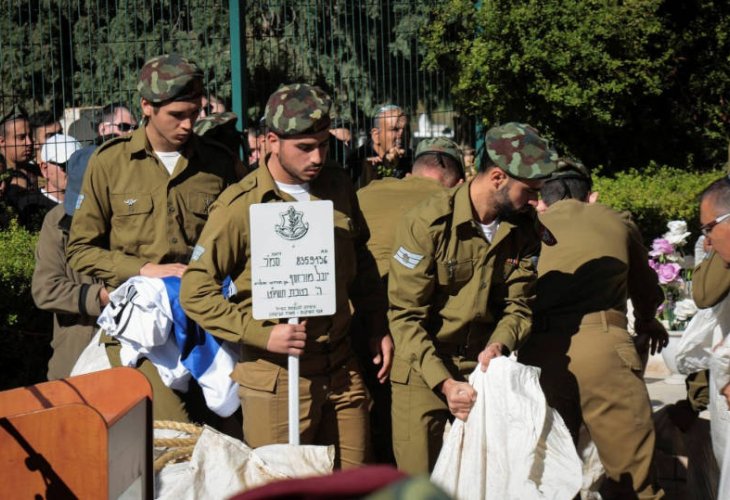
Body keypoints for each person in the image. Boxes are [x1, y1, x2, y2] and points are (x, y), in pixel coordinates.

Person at [180, 83, 391, 468]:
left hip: (342, 366)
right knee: (281, 487)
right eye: (305, 147)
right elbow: (195, 290)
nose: (317, 157)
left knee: (356, 484)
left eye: (323, 145)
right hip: (275, 377)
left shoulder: (338, 187)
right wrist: (263, 334)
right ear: (272, 141)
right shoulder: (239, 206)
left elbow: (360, 261)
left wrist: (377, 325)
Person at [67, 53, 237, 422]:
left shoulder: (219, 164)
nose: (188, 124)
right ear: (146, 106)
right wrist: (142, 270)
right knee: (174, 435)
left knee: (229, 436)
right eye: (177, 115)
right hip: (143, 334)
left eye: (194, 112)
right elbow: (80, 250)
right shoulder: (110, 163)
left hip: (211, 325)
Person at [387, 122, 557, 474]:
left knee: (491, 480)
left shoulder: (524, 231)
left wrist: (499, 346)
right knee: (419, 487)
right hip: (423, 369)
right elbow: (405, 317)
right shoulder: (428, 224)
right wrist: (445, 383)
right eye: (529, 191)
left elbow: (519, 306)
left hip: (484, 370)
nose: (535, 202)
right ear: (498, 177)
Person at [518, 160, 667, 499]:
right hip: (605, 349)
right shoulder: (617, 221)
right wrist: (646, 319)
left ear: (544, 197)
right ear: (591, 196)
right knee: (635, 478)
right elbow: (644, 288)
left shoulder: (529, 226)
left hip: (539, 353)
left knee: (547, 475)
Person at [355, 136, 464, 464]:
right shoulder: (451, 204)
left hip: (355, 319)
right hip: (413, 330)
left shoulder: (364, 193)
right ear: (458, 183)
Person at [32, 137, 109, 380]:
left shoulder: (134, 223)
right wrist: (100, 296)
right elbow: (45, 289)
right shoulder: (56, 222)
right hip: (75, 356)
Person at [347, 104, 412, 188]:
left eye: (406, 129)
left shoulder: (412, 159)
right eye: (395, 129)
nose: (402, 134)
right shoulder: (357, 161)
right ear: (376, 136)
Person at [0, 105, 37, 191]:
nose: (29, 142)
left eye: (30, 136)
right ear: (1, 141)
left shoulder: (36, 171)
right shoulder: (3, 179)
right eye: (21, 137)